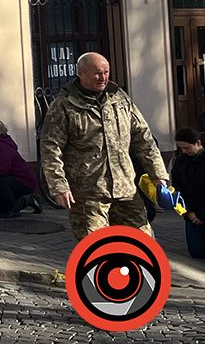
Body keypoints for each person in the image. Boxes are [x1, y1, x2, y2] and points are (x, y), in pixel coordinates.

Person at [40, 52, 170, 241]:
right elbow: (50, 148)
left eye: (106, 72)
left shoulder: (119, 99)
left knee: (143, 243)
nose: (103, 78)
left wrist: (158, 175)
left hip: (125, 188)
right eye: (97, 73)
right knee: (97, 249)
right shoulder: (63, 106)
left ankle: (136, 271)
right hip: (88, 193)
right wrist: (59, 186)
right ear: (81, 73)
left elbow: (144, 139)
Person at [171, 128, 205, 261]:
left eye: (187, 148)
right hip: (191, 212)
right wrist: (188, 212)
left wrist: (202, 215)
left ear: (198, 143)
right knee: (196, 252)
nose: (184, 151)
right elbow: (177, 188)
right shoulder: (180, 161)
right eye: (181, 148)